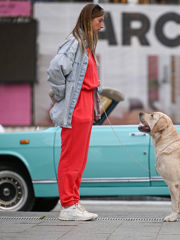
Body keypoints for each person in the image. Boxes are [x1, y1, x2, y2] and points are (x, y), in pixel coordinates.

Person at [47, 4, 104, 221]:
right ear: (88, 20)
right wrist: (61, 95)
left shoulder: (86, 45)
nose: (101, 25)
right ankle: (68, 206)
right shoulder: (75, 42)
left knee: (79, 159)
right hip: (77, 105)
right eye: (99, 21)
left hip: (86, 104)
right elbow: (54, 69)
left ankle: (73, 202)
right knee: (71, 157)